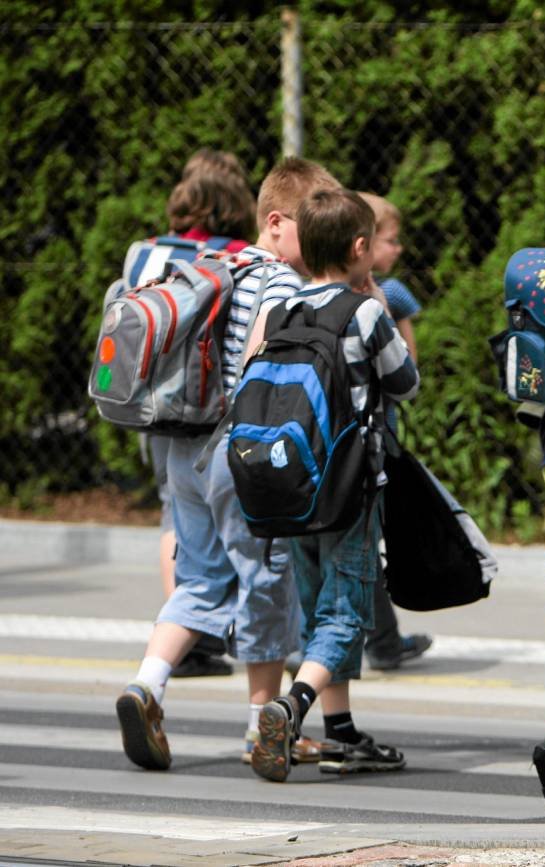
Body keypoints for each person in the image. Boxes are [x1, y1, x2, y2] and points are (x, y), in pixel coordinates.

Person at [115, 157, 341, 772]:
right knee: (264, 579)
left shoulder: (219, 265)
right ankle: (261, 728)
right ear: (275, 222)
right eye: (310, 222)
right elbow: (259, 354)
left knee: (201, 581)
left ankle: (147, 685)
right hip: (234, 451)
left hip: (180, 446)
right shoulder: (279, 280)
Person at [249, 188, 419, 782]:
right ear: (357, 248)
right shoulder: (365, 311)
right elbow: (404, 383)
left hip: (292, 486)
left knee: (317, 608)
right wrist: (372, 301)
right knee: (346, 612)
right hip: (350, 488)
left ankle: (341, 731)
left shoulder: (282, 312)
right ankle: (291, 707)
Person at [128, 151, 258, 679]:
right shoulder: (240, 256)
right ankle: (230, 631)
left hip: (150, 402)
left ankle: (184, 630)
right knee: (224, 520)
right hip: (210, 408)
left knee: (171, 510)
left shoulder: (146, 252)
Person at [356, 190, 433, 672]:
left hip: (364, 432)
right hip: (378, 433)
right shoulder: (389, 295)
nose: (398, 249)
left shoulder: (305, 291)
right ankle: (383, 639)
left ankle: (381, 637)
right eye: (391, 240)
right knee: (365, 540)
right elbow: (408, 371)